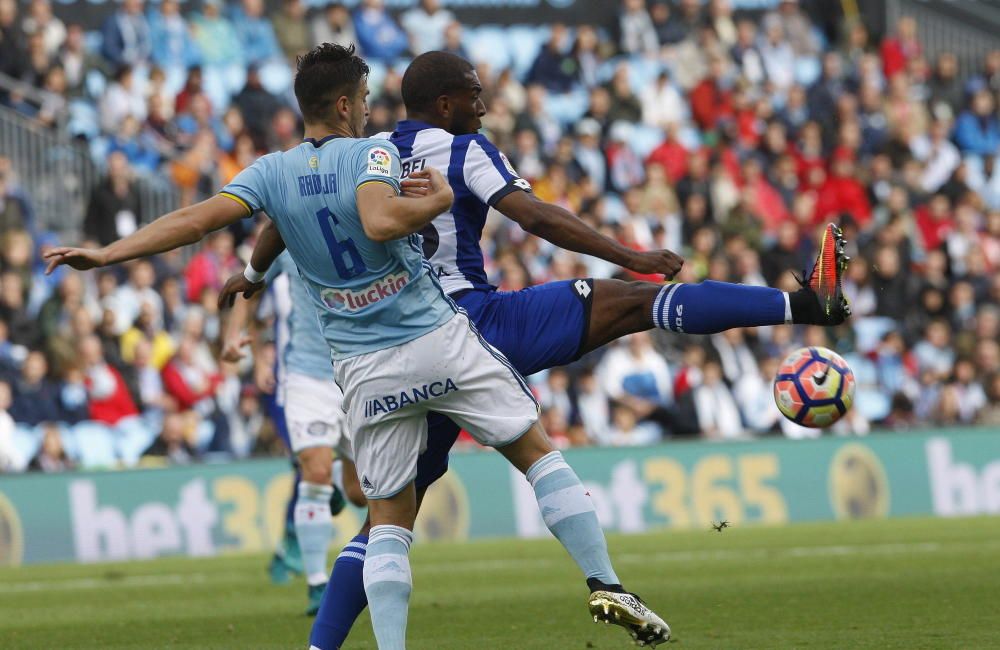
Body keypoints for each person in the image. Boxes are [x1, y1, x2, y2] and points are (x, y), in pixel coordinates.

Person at [45, 44, 671, 649]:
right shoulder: (371, 155)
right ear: (346, 107)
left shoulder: (273, 172)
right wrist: (440, 200)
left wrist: (107, 254)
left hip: (364, 371)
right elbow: (377, 220)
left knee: (389, 522)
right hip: (434, 337)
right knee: (536, 453)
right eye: (366, 98)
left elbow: (200, 220)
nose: (373, 110)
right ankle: (605, 582)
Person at [224, 49, 850, 650]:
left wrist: (250, 280)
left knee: (387, 522)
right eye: (474, 96)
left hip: (393, 348)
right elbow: (535, 216)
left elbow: (282, 217)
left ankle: (320, 646)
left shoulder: (370, 155)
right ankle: (801, 307)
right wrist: (630, 254)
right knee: (633, 304)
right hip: (470, 324)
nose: (485, 108)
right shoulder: (462, 149)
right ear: (445, 104)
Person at [221, 249, 363, 614]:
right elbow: (248, 285)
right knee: (311, 470)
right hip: (306, 374)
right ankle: (318, 584)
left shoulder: (367, 213)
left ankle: (334, 479)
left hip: (359, 369)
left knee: (360, 493)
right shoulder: (288, 234)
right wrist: (234, 336)